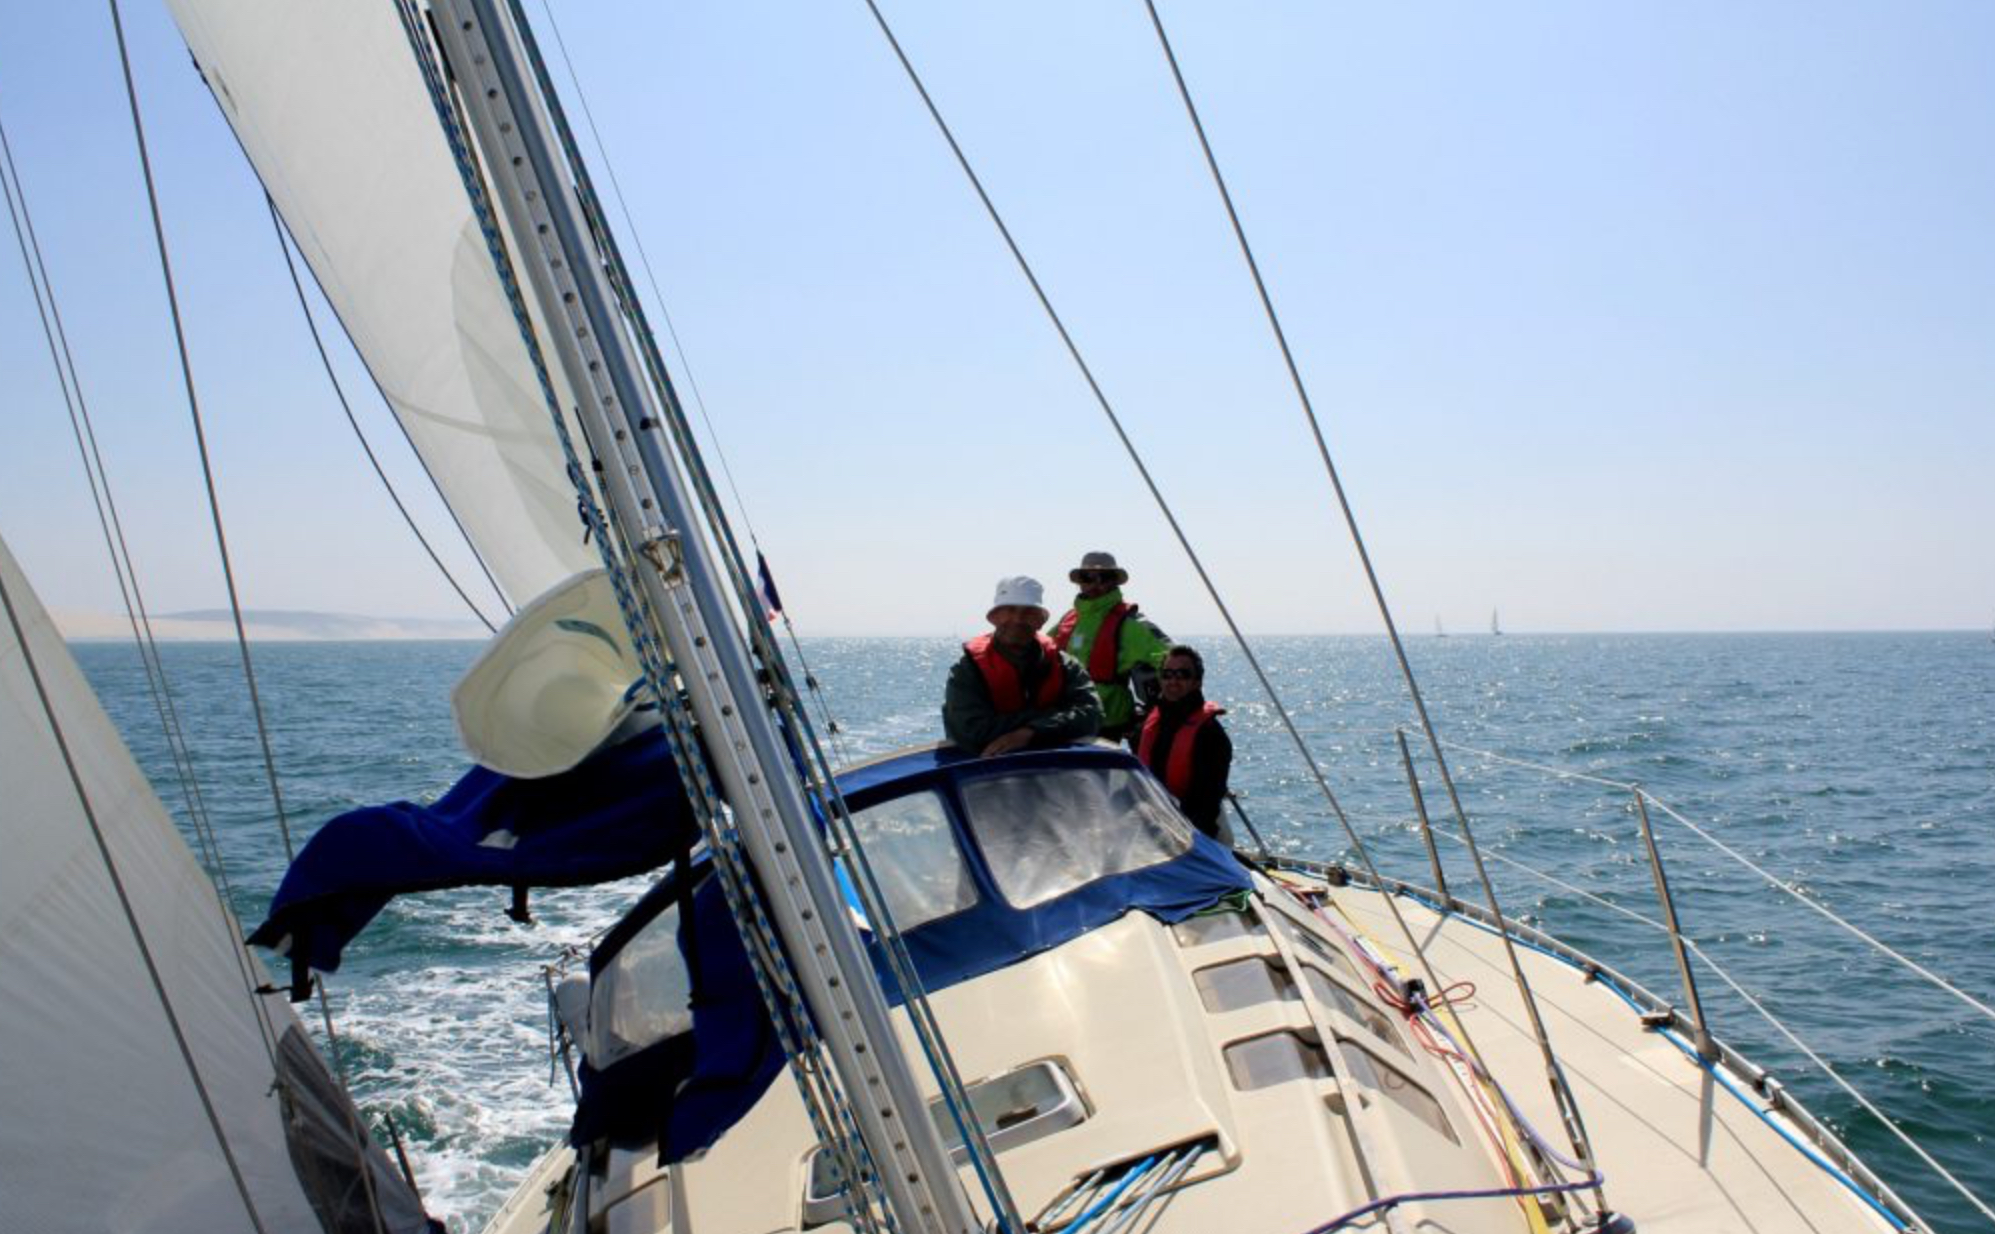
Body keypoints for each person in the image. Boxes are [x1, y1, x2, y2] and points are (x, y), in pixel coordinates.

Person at [944, 576, 1102, 756]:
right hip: (984, 771)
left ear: (1041, 621)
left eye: (1028, 612)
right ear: (994, 618)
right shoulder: (967, 670)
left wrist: (1030, 732)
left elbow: (1092, 715)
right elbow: (972, 732)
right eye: (1010, 610)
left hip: (1054, 770)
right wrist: (1049, 718)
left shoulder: (1066, 666)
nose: (1018, 619)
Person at [1051, 551, 1172, 743]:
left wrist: (1162, 709)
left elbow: (1175, 659)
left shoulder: (1131, 624)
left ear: (1114, 581)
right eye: (1087, 577)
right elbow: (1037, 652)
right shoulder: (1067, 621)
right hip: (1064, 720)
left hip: (1107, 725)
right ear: (1079, 582)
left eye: (1103, 577)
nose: (1095, 584)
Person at [1137, 644, 1233, 841]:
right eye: (1167, 673)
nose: (1173, 680)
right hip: (1155, 826)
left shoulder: (1210, 734)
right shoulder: (1150, 723)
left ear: (1197, 682)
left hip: (1195, 834)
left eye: (1182, 674)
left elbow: (1206, 805)